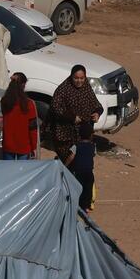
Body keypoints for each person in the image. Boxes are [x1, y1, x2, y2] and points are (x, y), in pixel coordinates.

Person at [44, 63, 103, 211]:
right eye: (76, 78)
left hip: (82, 136)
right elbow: (55, 108)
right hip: (65, 136)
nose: (79, 81)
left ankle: (83, 201)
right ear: (71, 77)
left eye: (82, 78)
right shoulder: (63, 90)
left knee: (82, 171)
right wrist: (71, 117)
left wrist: (97, 113)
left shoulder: (86, 88)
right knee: (70, 168)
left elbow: (96, 104)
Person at [0, 72, 38, 160]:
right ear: (23, 85)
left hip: (8, 144)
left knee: (9, 171)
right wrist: (34, 147)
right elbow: (32, 128)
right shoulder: (29, 104)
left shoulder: (4, 102)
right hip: (24, 146)